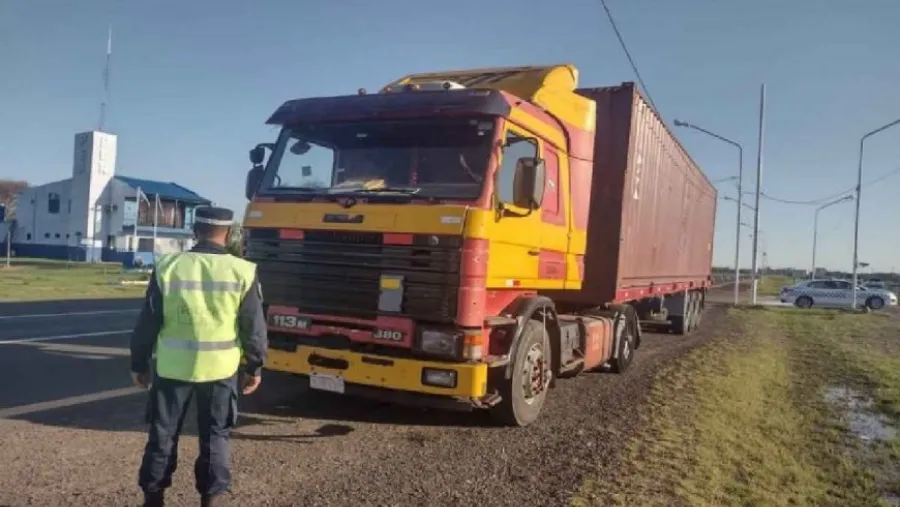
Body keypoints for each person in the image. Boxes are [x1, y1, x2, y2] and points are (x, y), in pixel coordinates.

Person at [130, 206, 268, 507]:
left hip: (172, 369)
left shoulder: (168, 266)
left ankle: (153, 499)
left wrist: (138, 364)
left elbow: (148, 322)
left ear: (194, 230)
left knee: (162, 435)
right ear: (229, 233)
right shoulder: (243, 271)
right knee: (215, 436)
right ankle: (210, 500)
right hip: (220, 371)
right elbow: (253, 328)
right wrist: (254, 366)